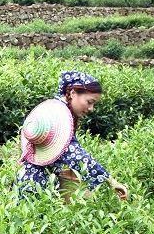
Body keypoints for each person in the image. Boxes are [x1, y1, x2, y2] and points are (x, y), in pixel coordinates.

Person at [16, 70, 129, 201]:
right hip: (36, 187)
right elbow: (77, 155)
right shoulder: (56, 119)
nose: (91, 108)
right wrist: (110, 182)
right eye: (89, 101)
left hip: (27, 179)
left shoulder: (54, 113)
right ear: (73, 93)